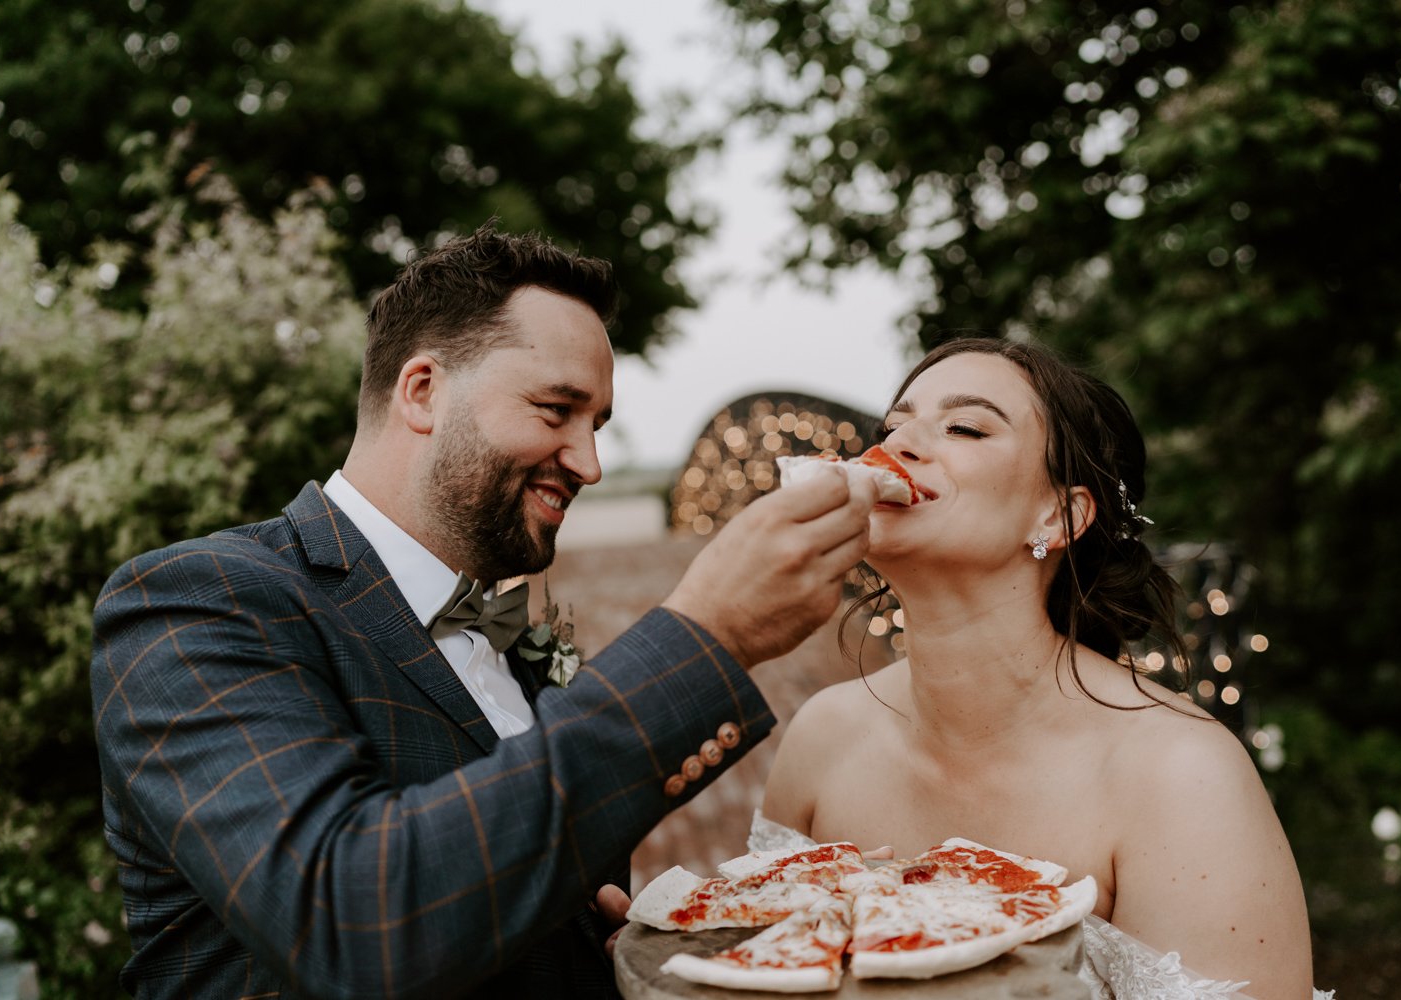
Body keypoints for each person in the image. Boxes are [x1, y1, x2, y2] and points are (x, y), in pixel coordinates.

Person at [90, 225, 876, 999]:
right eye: (555, 409)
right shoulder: (195, 601)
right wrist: (708, 633)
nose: (590, 464)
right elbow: (353, 924)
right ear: (423, 391)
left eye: (596, 425)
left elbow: (492, 878)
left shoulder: (517, 637)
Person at [755, 337, 1332, 999]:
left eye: (964, 426)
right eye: (891, 427)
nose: (897, 445)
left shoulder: (1180, 776)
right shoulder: (823, 736)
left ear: (1060, 516)